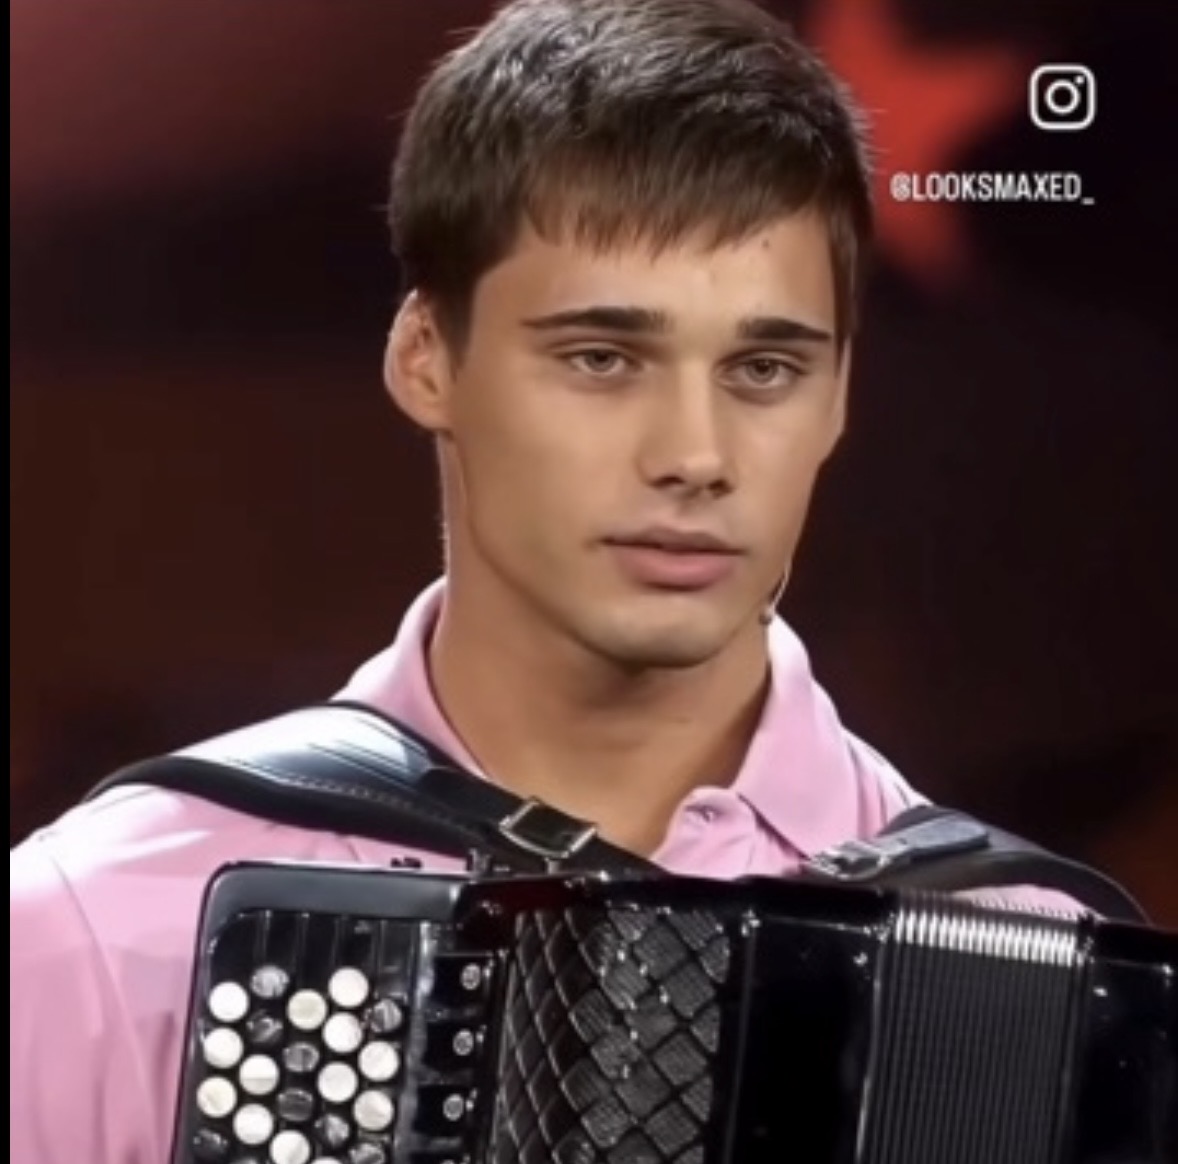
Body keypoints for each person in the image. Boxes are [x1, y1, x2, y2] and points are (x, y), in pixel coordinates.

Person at [8, 1, 1076, 1161]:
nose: (695, 455)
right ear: (425, 357)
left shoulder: (1026, 962)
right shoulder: (93, 928)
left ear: (837, 399)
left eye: (763, 368)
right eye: (601, 358)